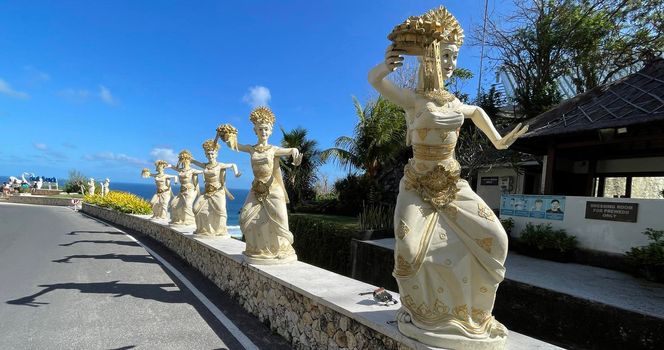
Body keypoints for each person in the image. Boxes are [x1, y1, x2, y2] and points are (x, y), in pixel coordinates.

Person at [367, 6, 528, 348]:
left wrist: (499, 140)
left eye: (454, 57)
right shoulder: (414, 100)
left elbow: (477, 112)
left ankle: (473, 315)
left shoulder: (456, 103)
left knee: (495, 239)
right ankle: (423, 314)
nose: (451, 63)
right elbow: (376, 82)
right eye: (445, 56)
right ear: (429, 58)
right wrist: (387, 65)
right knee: (409, 251)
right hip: (417, 185)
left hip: (453, 186)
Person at [218, 107, 302, 264]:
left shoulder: (274, 149)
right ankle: (257, 249)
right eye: (260, 129)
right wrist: (227, 136)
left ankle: (280, 249)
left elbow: (291, 150)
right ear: (255, 130)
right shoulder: (251, 149)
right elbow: (235, 146)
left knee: (280, 220)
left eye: (266, 129)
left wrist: (295, 153)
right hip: (256, 188)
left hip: (273, 188)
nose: (263, 132)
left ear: (270, 131)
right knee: (245, 218)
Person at [190, 140, 240, 236]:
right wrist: (189, 159)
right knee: (196, 208)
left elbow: (233, 165)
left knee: (221, 210)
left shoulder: (220, 165)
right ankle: (203, 229)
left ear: (216, 154)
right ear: (206, 155)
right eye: (208, 154)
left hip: (218, 191)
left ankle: (220, 231)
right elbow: (195, 162)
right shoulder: (205, 165)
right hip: (206, 192)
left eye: (212, 154)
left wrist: (236, 173)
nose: (210, 156)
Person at [167, 150, 203, 226]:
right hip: (182, 191)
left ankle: (190, 221)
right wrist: (170, 166)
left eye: (186, 160)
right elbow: (176, 169)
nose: (185, 162)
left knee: (187, 205)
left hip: (191, 190)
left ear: (189, 161)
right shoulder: (181, 170)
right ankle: (179, 219)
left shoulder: (193, 170)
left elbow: (203, 171)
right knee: (174, 204)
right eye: (183, 160)